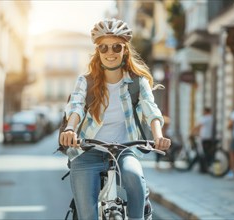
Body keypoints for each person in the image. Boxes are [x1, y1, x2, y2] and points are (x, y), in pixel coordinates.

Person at [59, 18, 171, 220]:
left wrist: (159, 136)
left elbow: (150, 109)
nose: (110, 52)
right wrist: (70, 130)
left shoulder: (137, 82)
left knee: (135, 176)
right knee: (87, 215)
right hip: (87, 152)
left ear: (124, 50)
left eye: (116, 47)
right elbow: (75, 106)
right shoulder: (86, 81)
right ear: (98, 51)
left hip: (124, 150)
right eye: (104, 47)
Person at [191, 107, 214, 173]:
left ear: (206, 111)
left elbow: (198, 126)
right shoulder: (211, 118)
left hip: (204, 138)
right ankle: (205, 167)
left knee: (202, 153)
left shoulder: (205, 118)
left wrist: (192, 133)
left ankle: (203, 168)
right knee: (207, 153)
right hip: (209, 137)